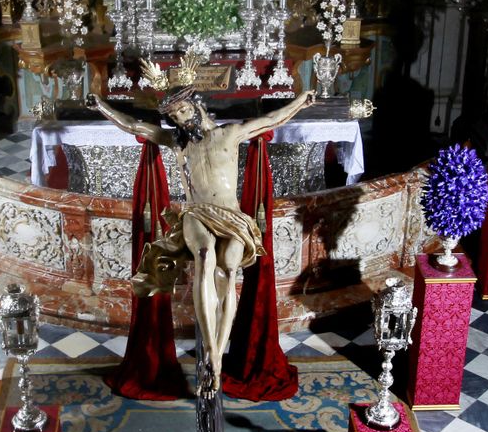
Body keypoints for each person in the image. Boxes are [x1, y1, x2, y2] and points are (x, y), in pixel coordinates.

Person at [85, 81, 317, 389]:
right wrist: (101, 105)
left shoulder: (230, 133)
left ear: (197, 105)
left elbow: (273, 119)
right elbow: (133, 126)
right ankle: (211, 351)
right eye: (175, 116)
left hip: (233, 217)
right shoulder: (179, 143)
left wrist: (302, 99)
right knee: (206, 256)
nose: (180, 119)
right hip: (197, 214)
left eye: (183, 110)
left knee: (230, 270)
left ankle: (217, 355)